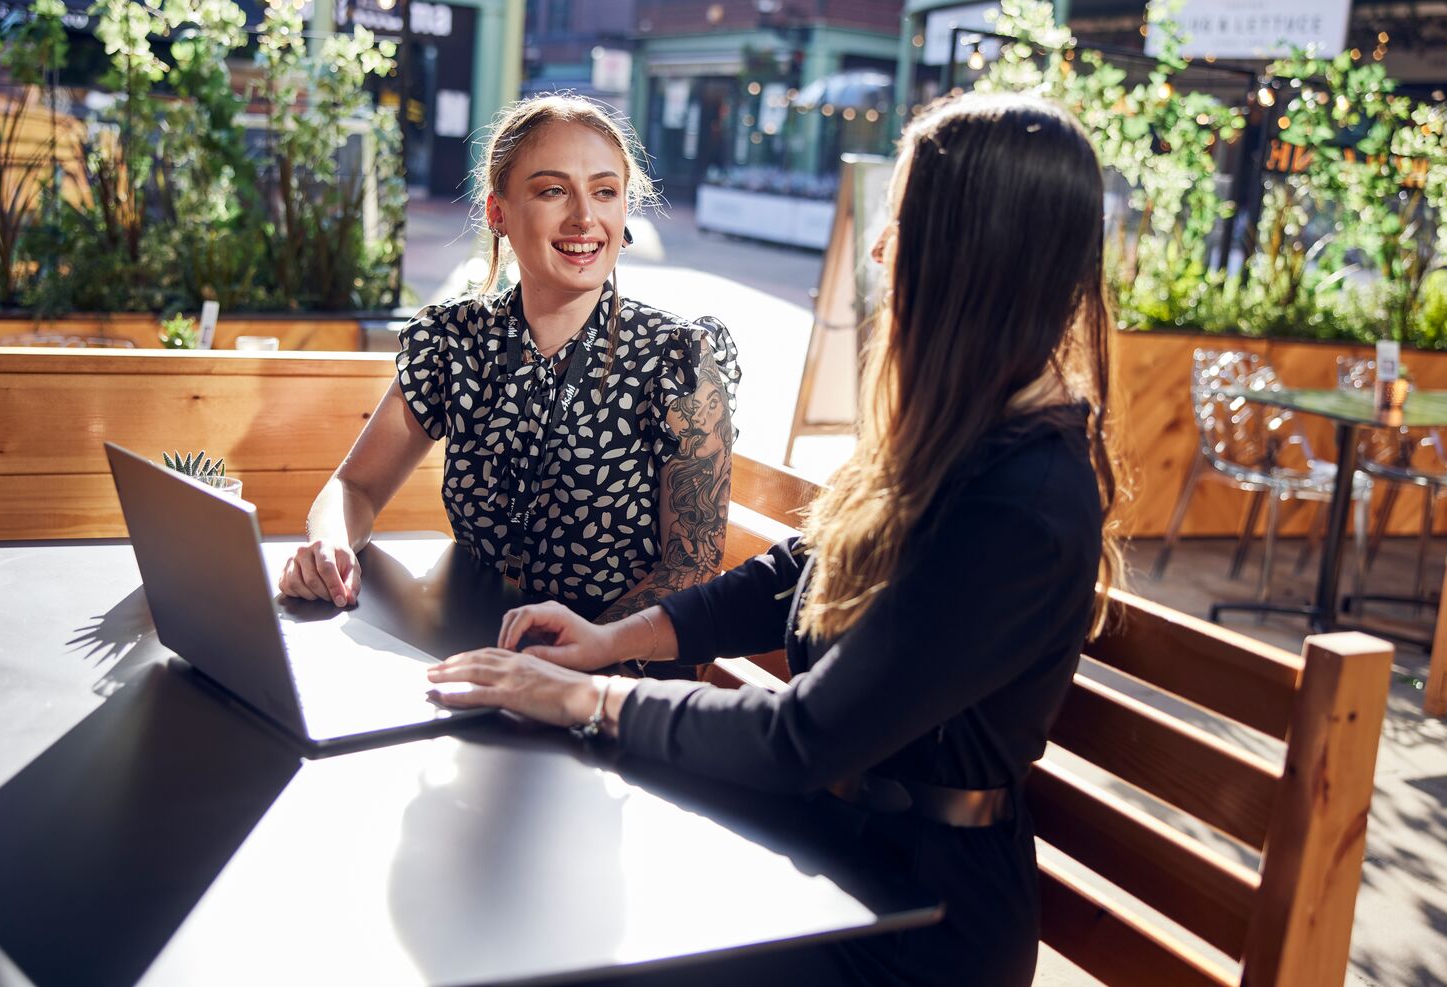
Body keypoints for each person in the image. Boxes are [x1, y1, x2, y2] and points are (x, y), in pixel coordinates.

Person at [424, 91, 1122, 986]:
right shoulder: (961, 433)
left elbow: (807, 735)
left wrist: (582, 700)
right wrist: (612, 643)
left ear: (973, 253)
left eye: (901, 221)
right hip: (834, 850)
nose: (878, 248)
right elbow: (796, 571)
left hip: (917, 925)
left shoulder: (1025, 500)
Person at [279, 96, 740, 630]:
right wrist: (330, 545)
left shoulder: (678, 358)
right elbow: (353, 488)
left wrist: (581, 653)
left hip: (612, 677)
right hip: (470, 645)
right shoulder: (452, 340)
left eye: (605, 192)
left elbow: (691, 569)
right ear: (498, 211)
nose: (585, 217)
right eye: (553, 191)